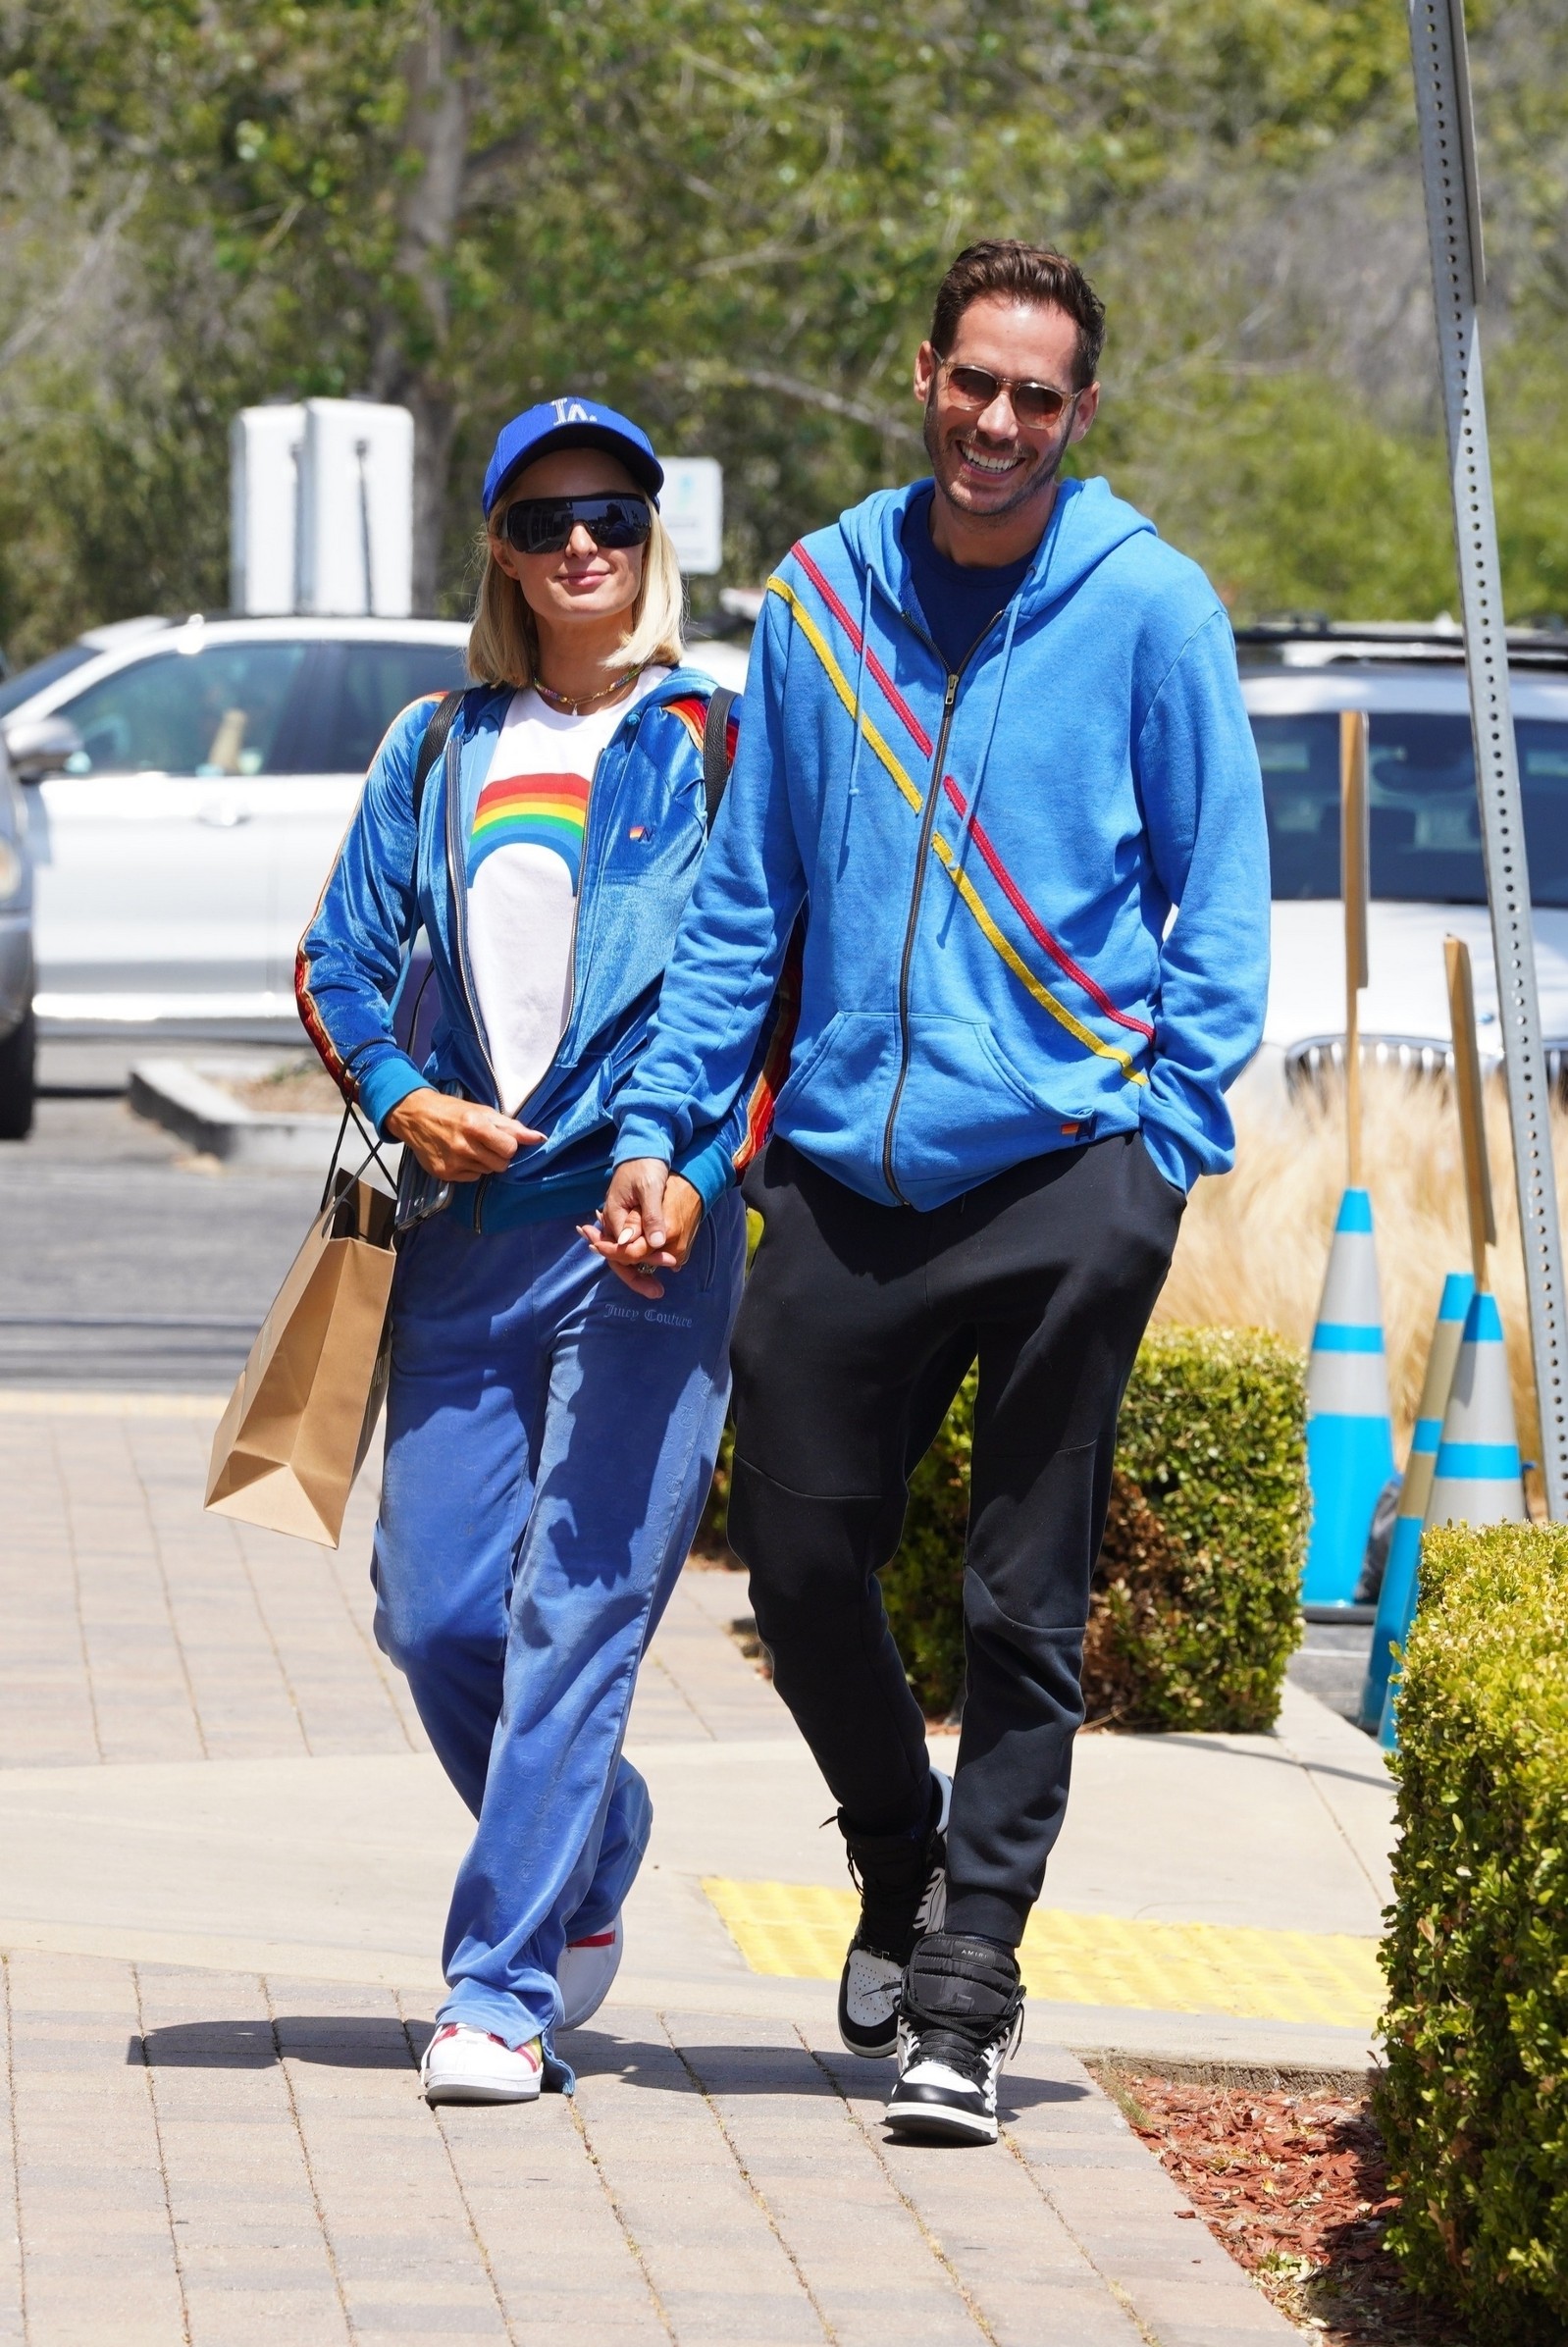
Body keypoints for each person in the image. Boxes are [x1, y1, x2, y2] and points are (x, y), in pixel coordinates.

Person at [593, 242, 1270, 2144]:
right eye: (974, 382)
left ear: (1080, 413)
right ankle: (897, 1857)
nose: (997, 422)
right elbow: (745, 908)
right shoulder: (820, 599)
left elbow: (1218, 901)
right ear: (924, 374)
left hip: (1067, 1176)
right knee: (800, 1565)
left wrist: (1158, 1154)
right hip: (842, 1171)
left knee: (1019, 1602)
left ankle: (967, 1986)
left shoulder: (1146, 608)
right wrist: (661, 1125)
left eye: (1036, 397)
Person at [296, 398, 774, 2107]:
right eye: (548, 519)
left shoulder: (716, 738)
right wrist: (407, 1098)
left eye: (614, 515)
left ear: (653, 540)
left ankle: (497, 1991)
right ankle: (599, 1828)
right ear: (500, 551)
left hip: (642, 1239)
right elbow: (337, 963)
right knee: (433, 1616)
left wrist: (697, 1168)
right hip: (464, 1239)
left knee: (578, 1613)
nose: (584, 544)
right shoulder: (439, 744)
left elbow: (769, 987)